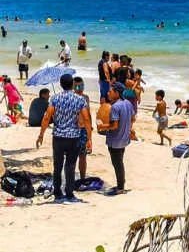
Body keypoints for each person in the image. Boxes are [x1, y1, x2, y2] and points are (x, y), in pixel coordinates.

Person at [35, 73, 91, 202]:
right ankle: (70, 193)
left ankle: (58, 192)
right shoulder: (79, 99)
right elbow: (86, 118)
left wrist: (41, 135)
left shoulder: (55, 98)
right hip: (74, 136)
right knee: (70, 165)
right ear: (72, 84)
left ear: (60, 85)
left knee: (58, 165)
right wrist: (89, 138)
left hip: (59, 136)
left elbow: (47, 116)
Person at [99, 82, 134, 195]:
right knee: (120, 162)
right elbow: (133, 118)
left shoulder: (115, 107)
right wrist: (128, 128)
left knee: (117, 164)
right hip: (124, 139)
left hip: (115, 141)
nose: (108, 93)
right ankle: (121, 184)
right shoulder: (128, 103)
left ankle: (120, 187)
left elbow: (114, 126)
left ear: (117, 93)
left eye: (110, 91)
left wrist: (102, 126)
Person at [73, 77, 92, 180]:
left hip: (84, 130)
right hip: (73, 130)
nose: (80, 88)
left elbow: (89, 116)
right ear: (72, 87)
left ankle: (82, 178)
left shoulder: (86, 98)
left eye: (82, 86)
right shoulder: (70, 98)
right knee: (72, 156)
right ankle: (70, 177)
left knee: (83, 156)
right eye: (77, 86)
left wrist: (90, 137)